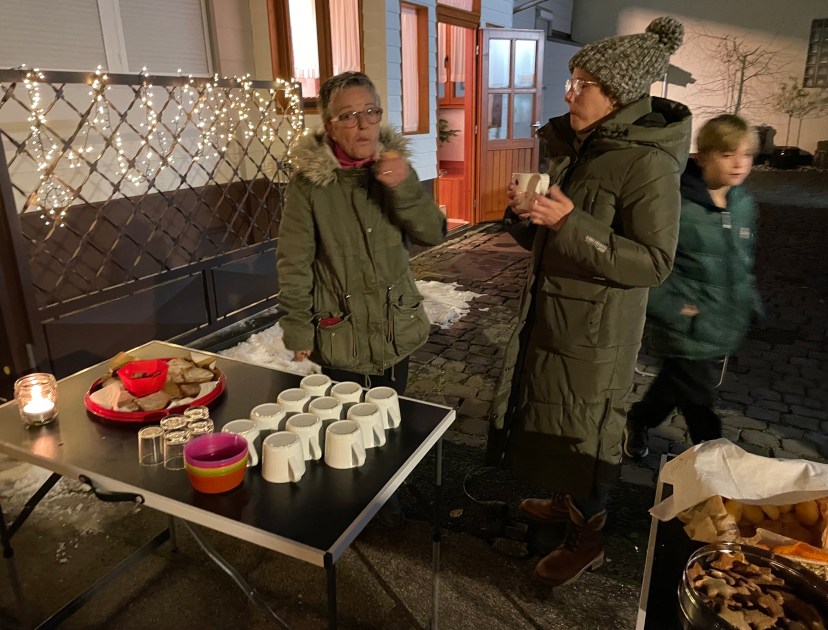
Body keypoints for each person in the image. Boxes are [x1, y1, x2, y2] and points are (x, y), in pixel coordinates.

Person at [486, 17, 692, 586]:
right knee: (557, 419)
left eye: (582, 84)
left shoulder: (648, 162)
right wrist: (527, 216)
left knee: (589, 430)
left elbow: (654, 262)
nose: (569, 94)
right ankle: (565, 500)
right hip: (554, 315)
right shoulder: (581, 148)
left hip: (599, 334)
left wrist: (569, 223)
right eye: (571, 81)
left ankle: (589, 537)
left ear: (617, 95)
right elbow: (554, 238)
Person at [275, 71, 444, 524]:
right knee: (345, 421)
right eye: (349, 116)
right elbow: (294, 261)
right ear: (330, 126)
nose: (364, 124)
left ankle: (387, 496)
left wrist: (404, 187)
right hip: (341, 326)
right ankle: (351, 502)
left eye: (371, 111)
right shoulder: (309, 186)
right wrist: (297, 326)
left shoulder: (395, 170)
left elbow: (433, 232)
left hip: (394, 322)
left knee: (390, 412)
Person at [624, 114, 762, 459]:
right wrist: (674, 309)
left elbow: (742, 261)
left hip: (718, 317)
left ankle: (639, 419)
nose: (739, 163)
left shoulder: (743, 203)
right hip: (684, 320)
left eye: (746, 154)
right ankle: (714, 458)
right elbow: (647, 261)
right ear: (703, 156)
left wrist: (749, 301)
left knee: (674, 383)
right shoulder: (677, 204)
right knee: (698, 397)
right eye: (727, 154)